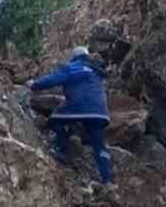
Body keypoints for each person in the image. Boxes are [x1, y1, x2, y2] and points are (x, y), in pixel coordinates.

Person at [28, 46, 114, 185]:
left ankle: (62, 151)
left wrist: (34, 84)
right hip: (100, 112)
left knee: (55, 119)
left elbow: (53, 79)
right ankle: (107, 180)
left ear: (74, 56)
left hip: (79, 105)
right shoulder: (95, 70)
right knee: (99, 145)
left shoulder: (73, 67)